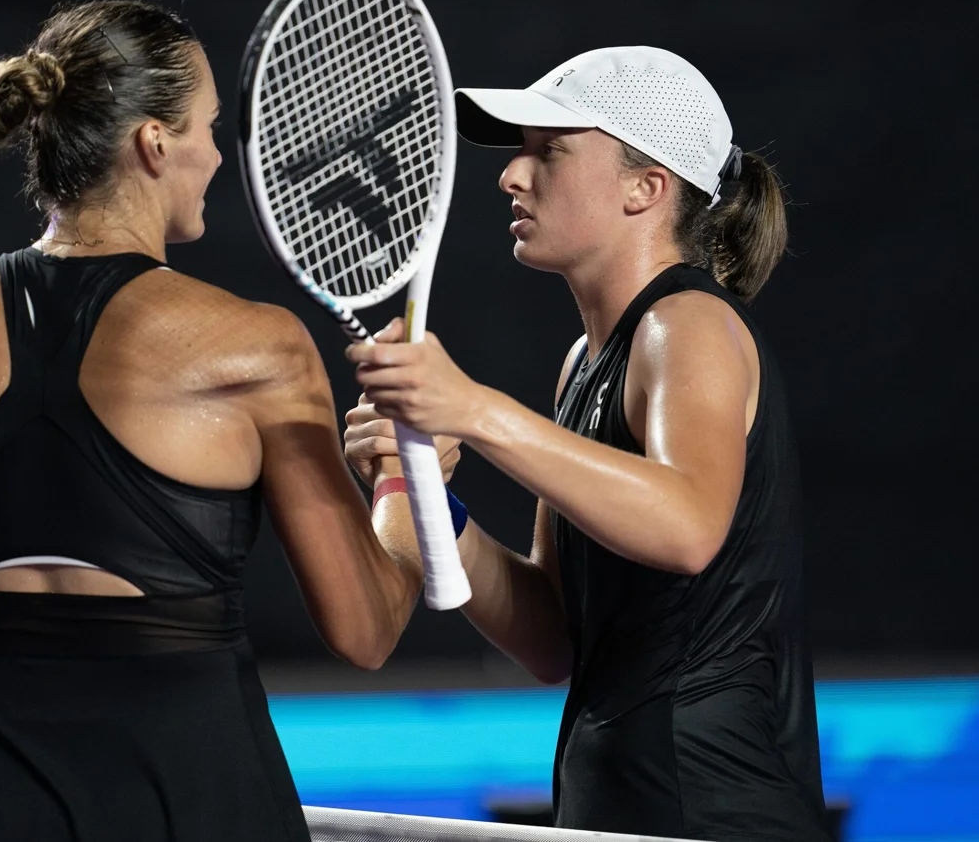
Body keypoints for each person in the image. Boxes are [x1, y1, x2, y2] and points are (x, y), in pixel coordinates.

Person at [0, 0, 431, 842]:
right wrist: (404, 476)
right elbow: (366, 629)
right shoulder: (259, 347)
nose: (216, 155)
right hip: (193, 814)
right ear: (154, 142)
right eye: (209, 128)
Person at [343, 47, 832, 842]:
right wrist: (419, 485)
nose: (511, 176)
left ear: (647, 188)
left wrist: (474, 410)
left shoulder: (686, 324)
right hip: (616, 806)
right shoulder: (585, 360)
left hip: (711, 812)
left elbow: (687, 527)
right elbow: (551, 639)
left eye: (550, 152)